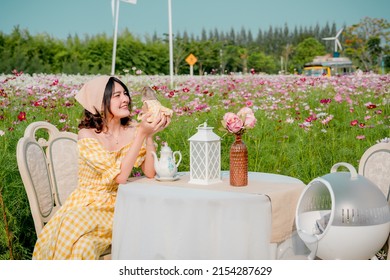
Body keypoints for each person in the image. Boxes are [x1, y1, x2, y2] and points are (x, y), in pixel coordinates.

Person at [33, 75, 170, 259]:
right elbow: (120, 176)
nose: (126, 100)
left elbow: (150, 172)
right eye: (117, 95)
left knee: (72, 226)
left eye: (125, 94)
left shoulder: (134, 130)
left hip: (120, 204)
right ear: (99, 102)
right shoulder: (87, 134)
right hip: (88, 203)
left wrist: (149, 136)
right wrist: (142, 134)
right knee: (81, 245)